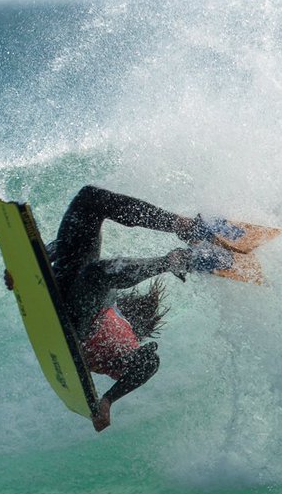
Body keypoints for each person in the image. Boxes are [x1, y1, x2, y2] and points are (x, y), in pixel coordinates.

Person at [47, 185, 217, 431]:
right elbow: (72, 251)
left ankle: (173, 261)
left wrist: (107, 400)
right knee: (90, 198)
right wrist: (35, 260)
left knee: (95, 274)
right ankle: (186, 227)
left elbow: (150, 364)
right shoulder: (113, 307)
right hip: (65, 284)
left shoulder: (125, 351)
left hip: (77, 325)